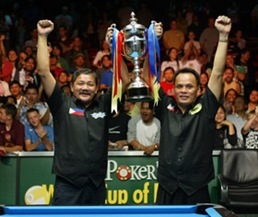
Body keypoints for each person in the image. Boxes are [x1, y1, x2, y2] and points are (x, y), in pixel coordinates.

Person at [36, 19, 130, 205]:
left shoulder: (104, 104)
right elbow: (44, 71)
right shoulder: (61, 104)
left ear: (97, 88)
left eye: (90, 84)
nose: (85, 88)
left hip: (96, 186)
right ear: (71, 86)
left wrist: (114, 49)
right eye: (80, 83)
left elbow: (125, 81)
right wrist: (42, 36)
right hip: (67, 186)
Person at [155, 15, 231, 205]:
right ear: (173, 88)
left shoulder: (206, 108)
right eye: (179, 86)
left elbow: (218, 73)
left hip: (196, 189)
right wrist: (153, 42)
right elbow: (149, 75)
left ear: (199, 90)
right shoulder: (165, 107)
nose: (183, 90)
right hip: (167, 187)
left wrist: (223, 36)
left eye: (189, 87)